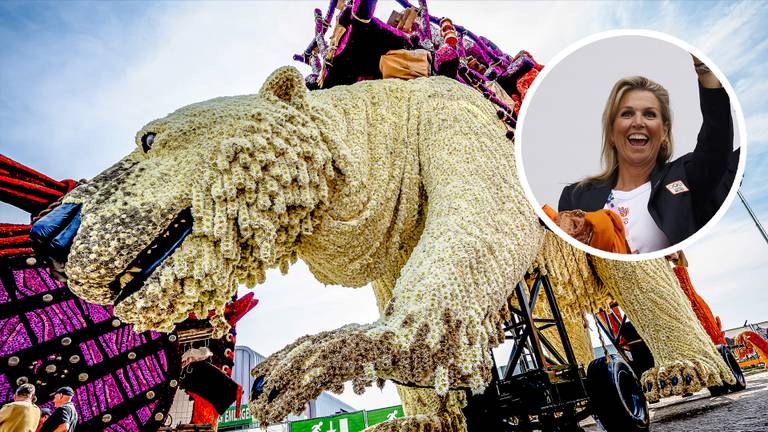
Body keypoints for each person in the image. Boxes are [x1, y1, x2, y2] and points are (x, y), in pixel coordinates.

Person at [558, 55, 733, 254]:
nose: (638, 122)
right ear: (612, 133)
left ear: (664, 132)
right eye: (627, 114)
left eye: (650, 114)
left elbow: (716, 141)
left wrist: (704, 69)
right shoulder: (576, 197)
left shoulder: (686, 178)